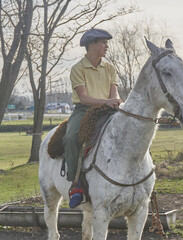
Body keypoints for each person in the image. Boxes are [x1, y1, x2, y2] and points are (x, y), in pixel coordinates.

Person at [63, 28, 122, 208]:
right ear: (91, 45)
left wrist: (115, 101)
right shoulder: (78, 69)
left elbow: (115, 92)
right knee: (70, 138)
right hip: (84, 110)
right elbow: (84, 98)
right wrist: (107, 101)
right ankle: (76, 184)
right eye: (103, 42)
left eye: (107, 43)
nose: (107, 46)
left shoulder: (110, 67)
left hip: (109, 109)